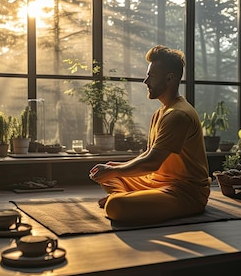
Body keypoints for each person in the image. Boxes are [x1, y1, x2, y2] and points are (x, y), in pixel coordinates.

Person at [89, 45, 210, 225]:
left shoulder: (178, 115)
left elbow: (152, 162)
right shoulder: (160, 113)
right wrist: (117, 167)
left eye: (151, 76)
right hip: (156, 182)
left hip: (185, 192)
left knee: (115, 206)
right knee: (109, 174)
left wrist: (116, 170)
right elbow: (148, 154)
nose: (145, 81)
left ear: (169, 79)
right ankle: (138, 200)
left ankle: (130, 201)